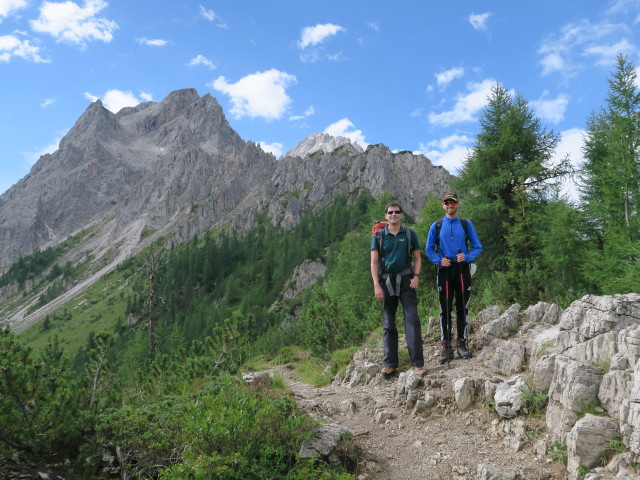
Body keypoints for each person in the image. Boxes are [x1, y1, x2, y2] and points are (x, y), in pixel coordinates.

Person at [425, 192, 482, 364]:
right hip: (445, 269)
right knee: (445, 308)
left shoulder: (465, 224)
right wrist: (438, 261)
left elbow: (477, 247)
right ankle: (446, 344)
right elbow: (429, 249)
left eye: (453, 202)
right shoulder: (436, 226)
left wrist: (467, 256)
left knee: (462, 306)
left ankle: (462, 342)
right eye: (447, 202)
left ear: (457, 205)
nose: (450, 205)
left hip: (462, 269)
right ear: (443, 205)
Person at [371, 201, 426, 376]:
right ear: (386, 215)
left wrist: (416, 277)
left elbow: (417, 257)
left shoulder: (409, 234)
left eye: (396, 212)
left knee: (412, 319)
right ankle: (390, 363)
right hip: (386, 282)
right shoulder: (378, 237)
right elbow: (373, 262)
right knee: (389, 323)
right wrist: (376, 285)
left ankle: (417, 363)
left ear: (401, 215)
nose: (393, 214)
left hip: (406, 281)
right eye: (390, 212)